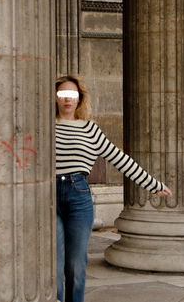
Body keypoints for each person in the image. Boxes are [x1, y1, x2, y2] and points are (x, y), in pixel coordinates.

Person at [55, 75, 172, 302]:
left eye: (72, 94)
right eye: (62, 94)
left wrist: (153, 184)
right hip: (47, 196)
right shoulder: (45, 127)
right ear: (55, 98)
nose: (67, 99)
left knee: (76, 262)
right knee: (54, 260)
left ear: (79, 99)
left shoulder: (90, 129)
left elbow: (120, 159)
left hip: (78, 196)